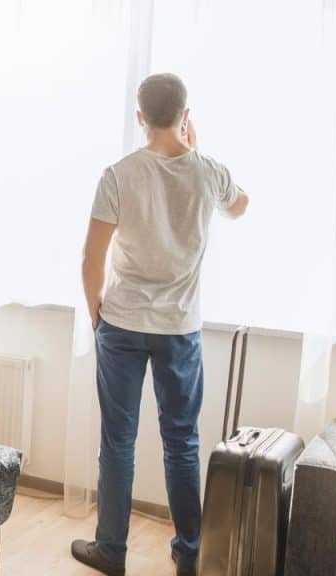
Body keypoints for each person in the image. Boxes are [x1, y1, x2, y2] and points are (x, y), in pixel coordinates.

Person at [70, 73, 250, 576]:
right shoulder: (209, 172)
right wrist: (200, 153)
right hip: (179, 329)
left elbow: (91, 258)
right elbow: (241, 206)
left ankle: (111, 550)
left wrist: (96, 315)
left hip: (122, 325)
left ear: (140, 118)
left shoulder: (119, 174)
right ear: (186, 115)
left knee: (118, 441)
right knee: (182, 442)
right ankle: (190, 554)